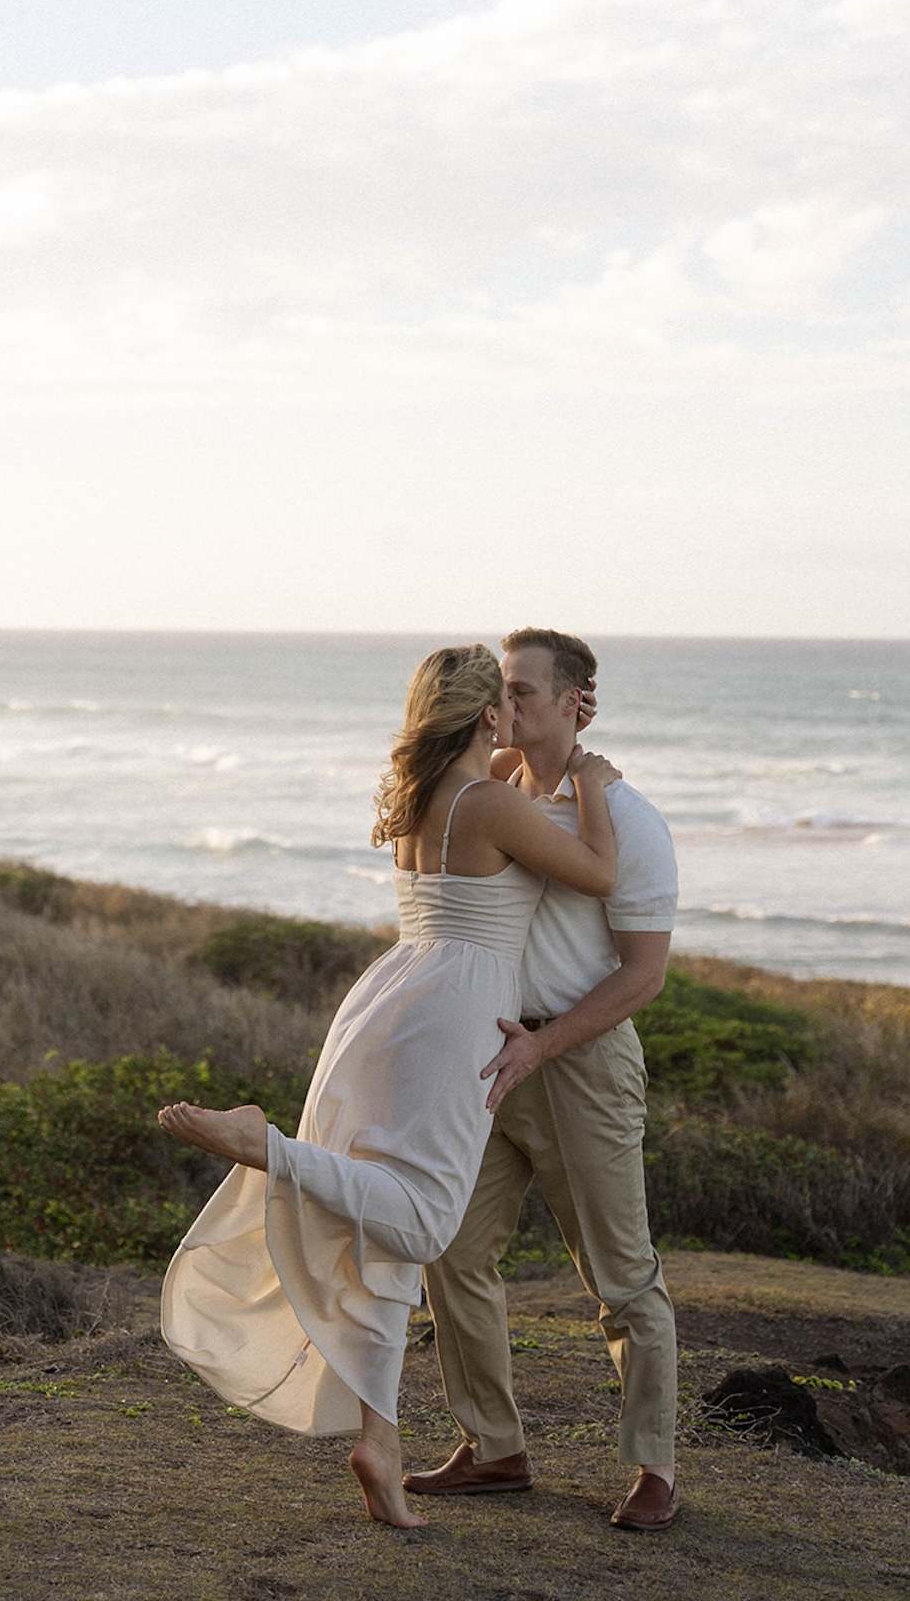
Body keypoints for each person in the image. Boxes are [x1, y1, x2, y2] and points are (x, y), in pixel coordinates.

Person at [157, 643, 622, 1529]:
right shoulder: (488, 803)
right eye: (507, 705)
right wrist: (591, 778)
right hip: (456, 1019)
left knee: (386, 1243)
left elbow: (504, 811)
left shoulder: (421, 798)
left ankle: (380, 1440)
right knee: (425, 1219)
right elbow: (598, 872)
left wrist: (543, 749)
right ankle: (268, 1148)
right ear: (489, 717)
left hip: (385, 1005)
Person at [405, 628, 681, 1532]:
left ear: (576, 701)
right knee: (451, 1248)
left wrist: (548, 1043)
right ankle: (494, 1448)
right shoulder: (496, 797)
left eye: (525, 690)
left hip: (579, 1067)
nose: (506, 704)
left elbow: (643, 975)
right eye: (501, 691)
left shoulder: (626, 817)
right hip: (488, 1061)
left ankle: (652, 1469)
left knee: (621, 1278)